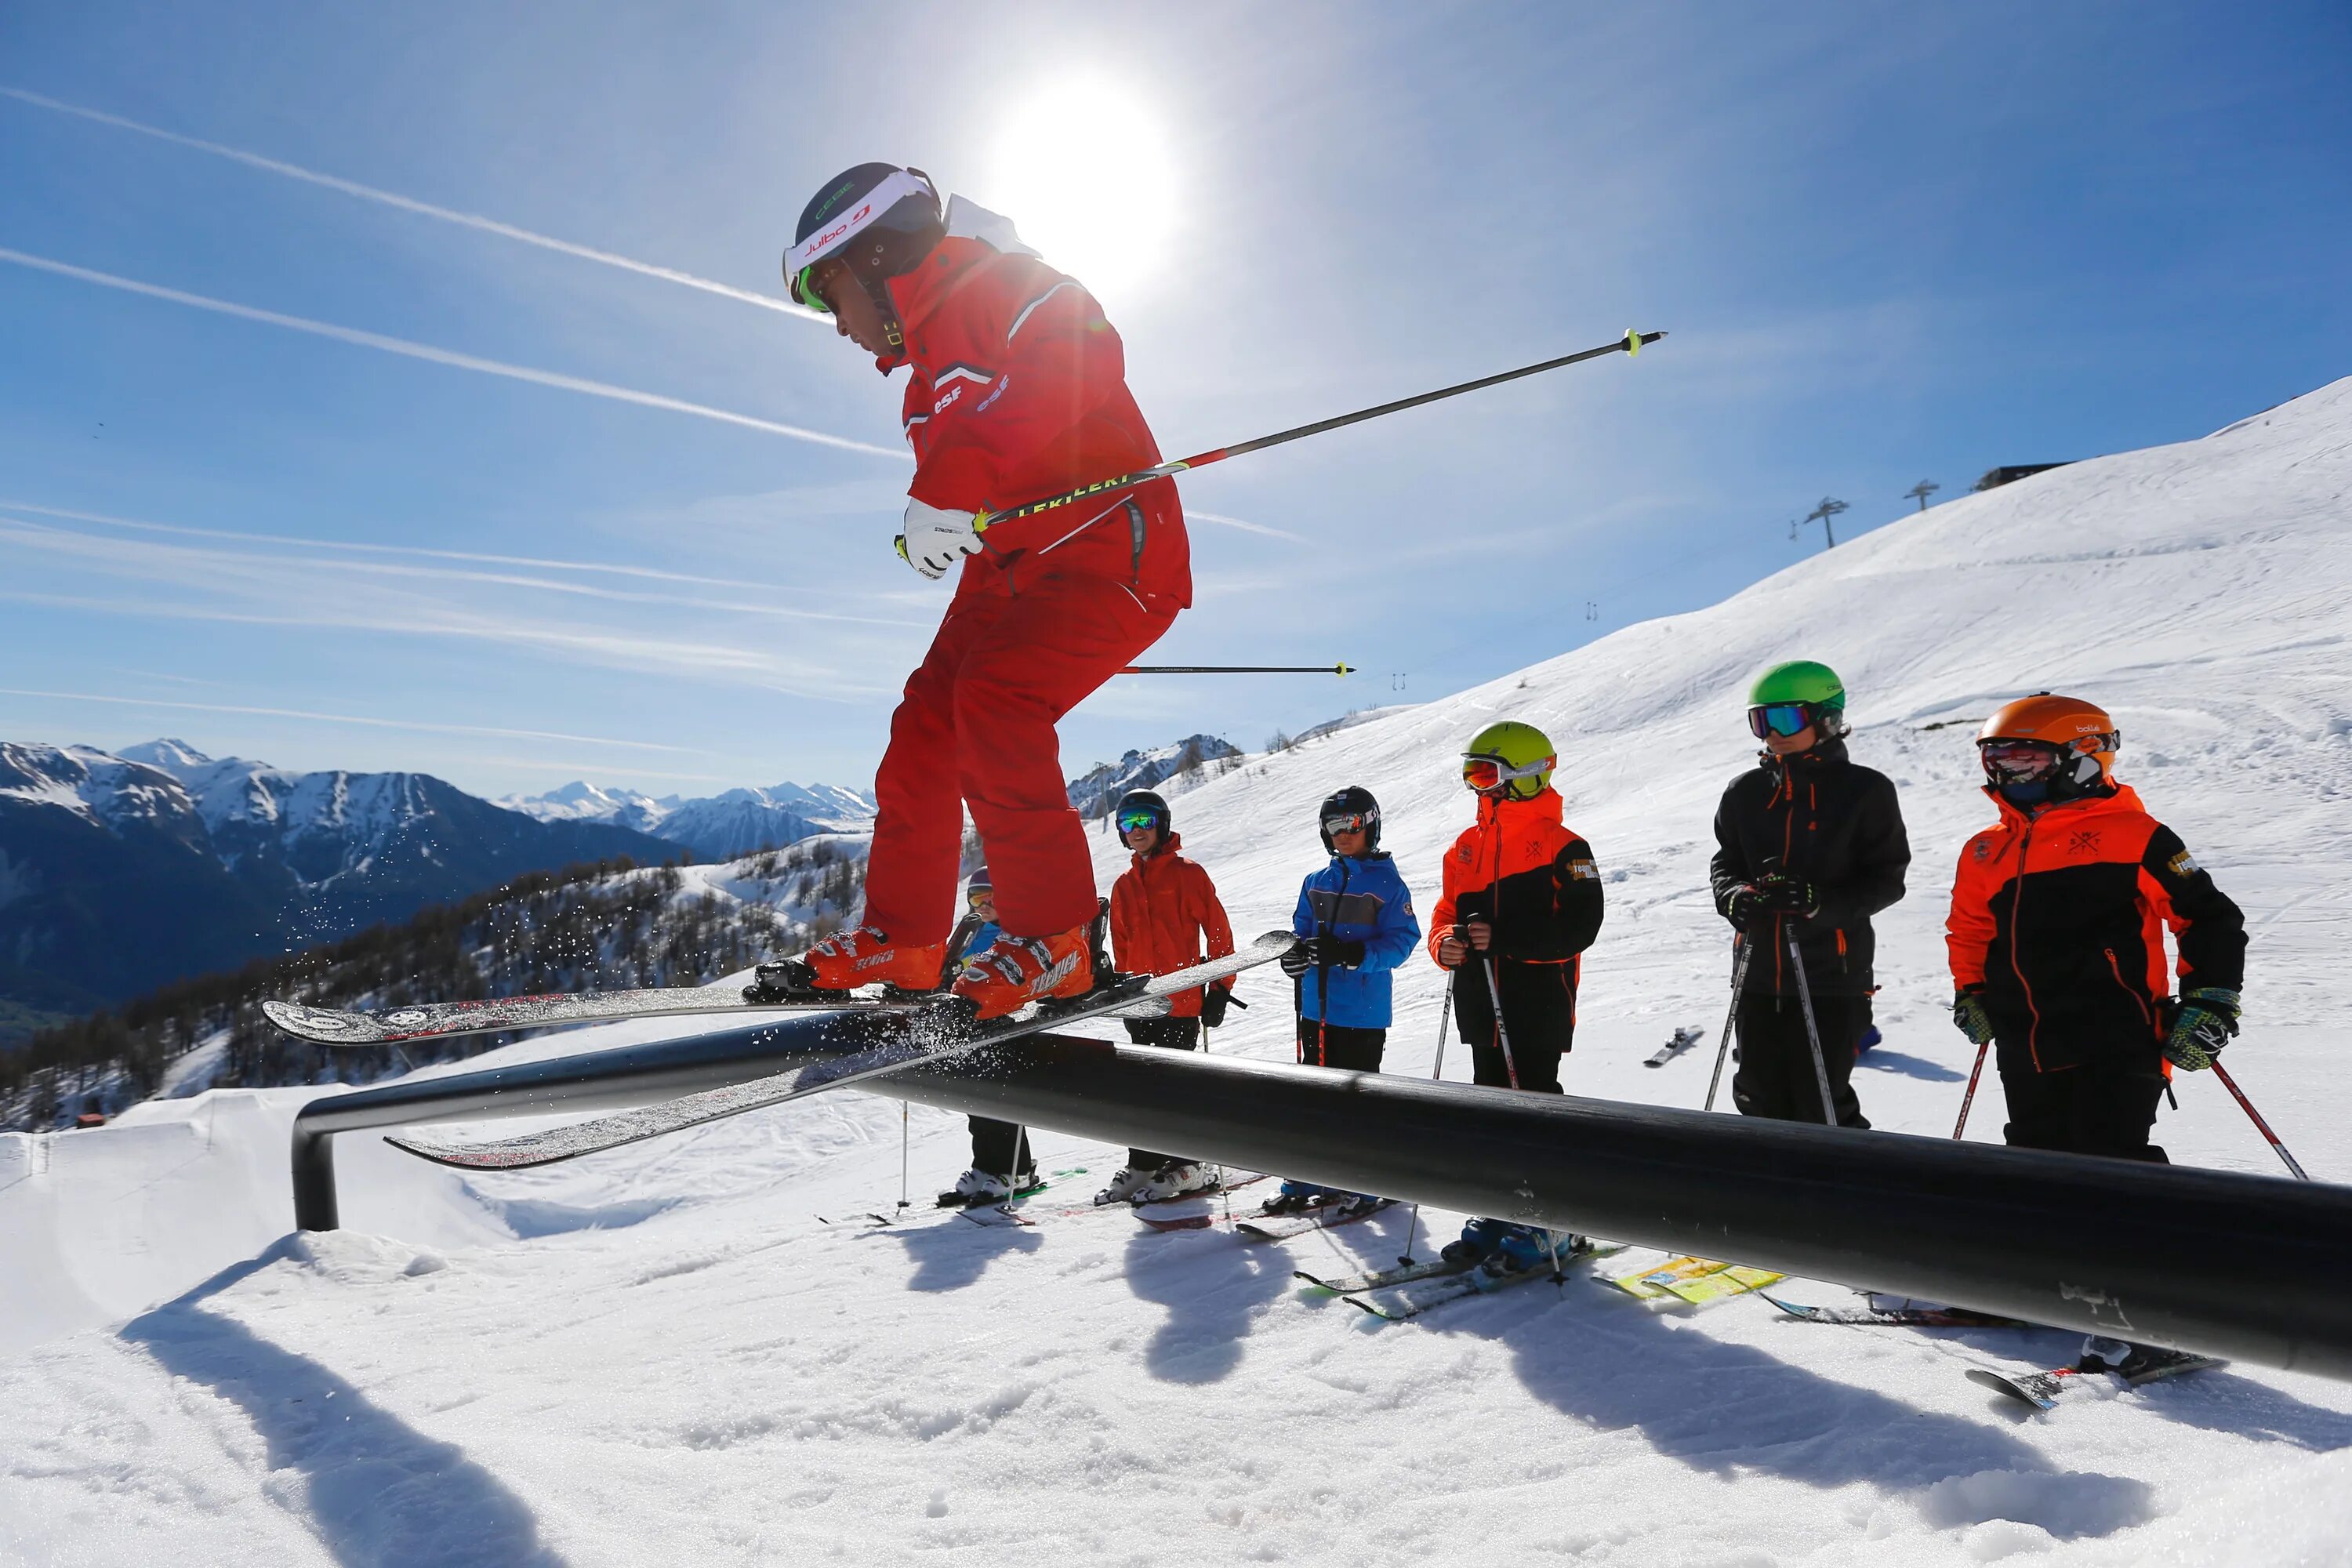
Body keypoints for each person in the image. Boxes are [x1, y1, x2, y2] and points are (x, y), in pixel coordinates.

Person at [772, 164, 1191, 1019]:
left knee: (996, 695)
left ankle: (1060, 940)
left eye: (830, 292)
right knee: (928, 717)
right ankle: (909, 936)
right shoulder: (924, 388)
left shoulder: (1003, 282)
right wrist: (952, 520)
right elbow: (981, 486)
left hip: (1113, 552)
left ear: (876, 255)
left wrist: (956, 485)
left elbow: (1082, 353)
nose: (837, 324)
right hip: (1010, 573)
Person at [1947, 691, 2246, 1380]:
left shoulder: (2134, 834)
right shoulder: (1988, 848)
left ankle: (2163, 1319)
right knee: (2036, 1162)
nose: (2007, 774)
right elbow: (1971, 932)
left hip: (2118, 1035)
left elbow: (2209, 920)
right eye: (1997, 759)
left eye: (2025, 759)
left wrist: (2209, 1003)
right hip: (2028, 1039)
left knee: (2111, 1169)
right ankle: (2047, 1292)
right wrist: (1971, 994)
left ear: (2082, 759)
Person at [1428, 721, 1604, 1270]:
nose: (1479, 787)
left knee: (1534, 1104)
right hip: (1481, 1000)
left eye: (1488, 774)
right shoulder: (1466, 847)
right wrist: (1444, 945)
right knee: (1488, 1106)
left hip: (1537, 1000)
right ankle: (1497, 1209)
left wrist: (1503, 940)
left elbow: (1582, 927)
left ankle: (1551, 1221)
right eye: (1471, 774)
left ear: (1526, 776)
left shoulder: (1564, 846)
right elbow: (1446, 913)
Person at [1709, 659, 1910, 1129]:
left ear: (1827, 719)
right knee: (1757, 1096)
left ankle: (1843, 1195)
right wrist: (1737, 897)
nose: (1771, 734)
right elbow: (1726, 863)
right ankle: (1762, 1198)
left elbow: (1887, 878)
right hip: (1757, 971)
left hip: (1831, 973)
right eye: (1761, 721)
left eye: (1785, 719)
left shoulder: (1864, 791)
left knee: (1819, 1098)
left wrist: (1818, 903)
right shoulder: (1746, 792)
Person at [1262, 786, 1421, 1218]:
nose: (1342, 833)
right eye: (1333, 826)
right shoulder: (1316, 882)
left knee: (1358, 1101)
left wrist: (1354, 955)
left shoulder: (1388, 884)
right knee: (1312, 1095)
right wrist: (1292, 958)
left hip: (1362, 1013)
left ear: (1370, 827)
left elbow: (1404, 941)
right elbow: (1298, 933)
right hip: (1314, 1008)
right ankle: (1309, 1174)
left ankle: (1368, 1180)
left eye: (1352, 824)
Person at [1094, 790, 1236, 1205]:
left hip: (1182, 1003)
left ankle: (1188, 1165)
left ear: (1162, 823)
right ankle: (1144, 1162)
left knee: (1176, 1088)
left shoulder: (1188, 874)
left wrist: (1220, 989)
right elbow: (1121, 946)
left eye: (1144, 821)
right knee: (1141, 1088)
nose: (1137, 831)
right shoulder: (1122, 884)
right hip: (1141, 1004)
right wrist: (1122, 995)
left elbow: (1219, 933)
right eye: (1127, 823)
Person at [936, 868, 1037, 1204]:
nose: (986, 905)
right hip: (968, 1024)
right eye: (978, 899)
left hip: (1003, 1022)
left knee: (1001, 1098)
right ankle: (986, 1166)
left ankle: (1017, 1170)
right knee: (975, 1100)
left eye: (993, 898)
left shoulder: (1015, 935)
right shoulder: (969, 933)